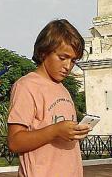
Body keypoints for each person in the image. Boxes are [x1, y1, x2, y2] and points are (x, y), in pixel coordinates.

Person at [6, 19, 92, 177]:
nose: (68, 66)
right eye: (63, 58)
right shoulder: (26, 86)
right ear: (43, 53)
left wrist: (75, 131)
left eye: (73, 60)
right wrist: (55, 130)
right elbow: (15, 141)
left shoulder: (63, 89)